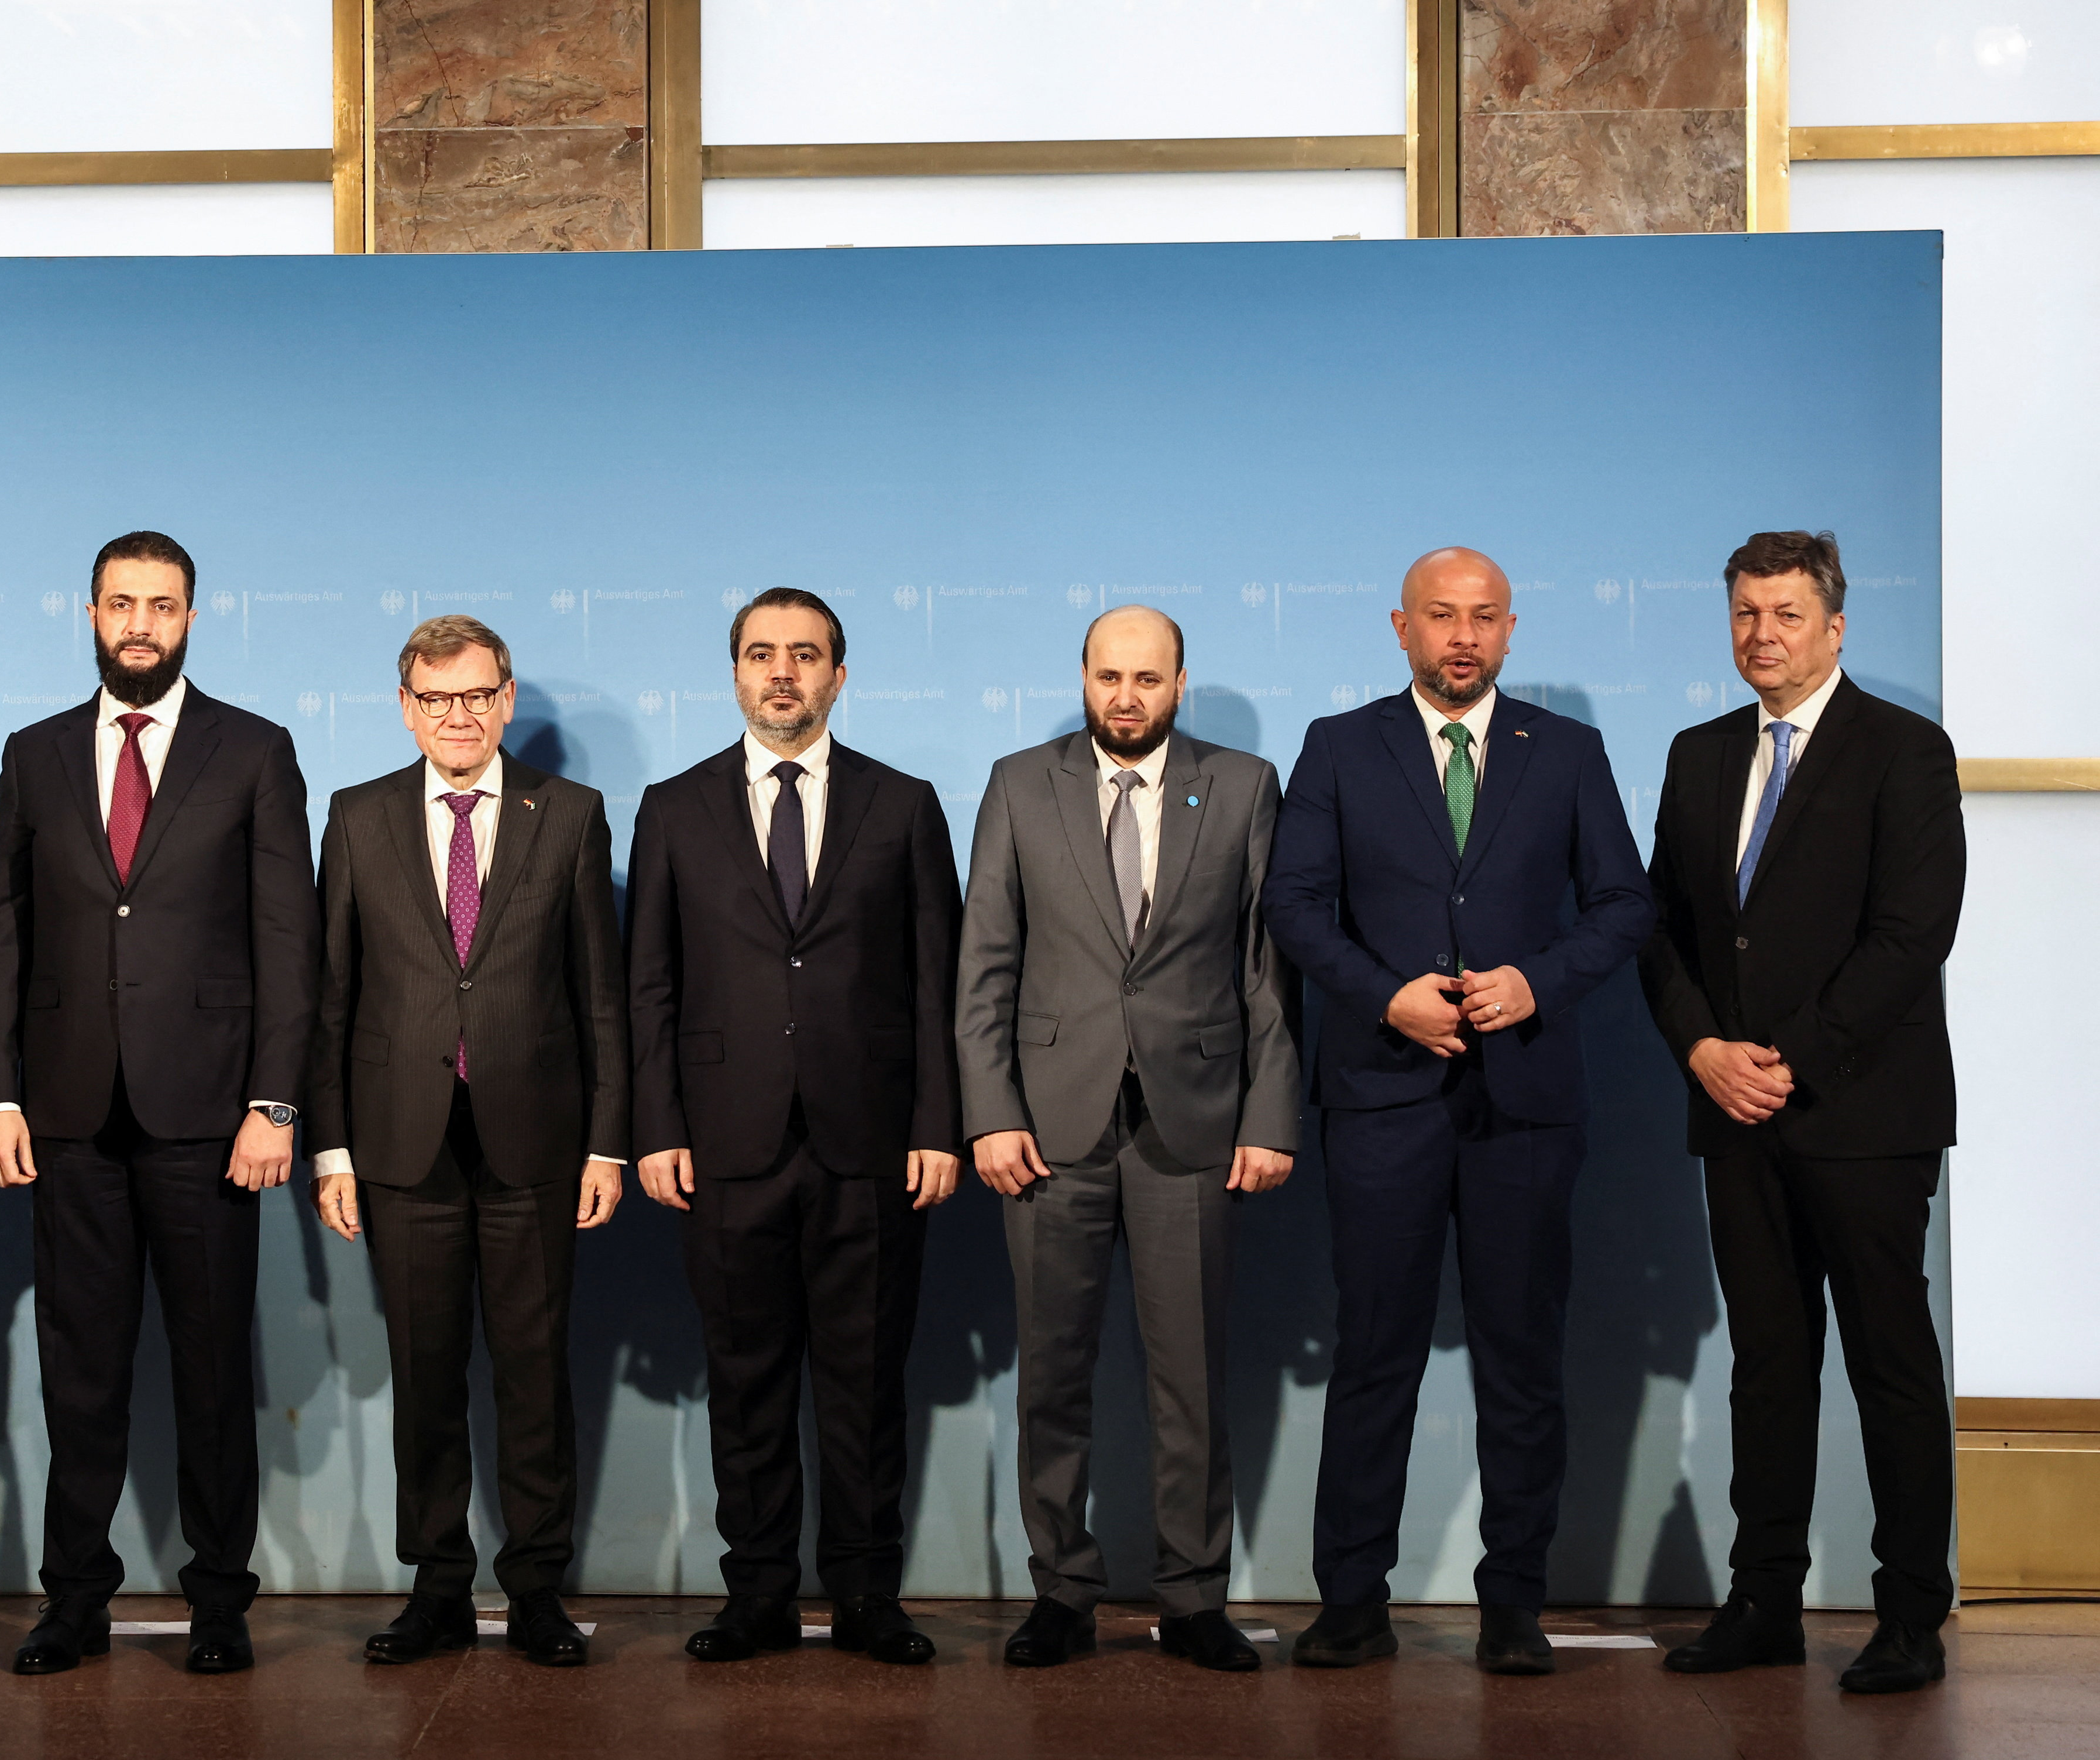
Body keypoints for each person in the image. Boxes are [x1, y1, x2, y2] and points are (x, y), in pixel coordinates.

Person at [1262, 547, 1652, 1676]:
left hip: (1524, 1098)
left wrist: (1538, 981)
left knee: (1521, 1361)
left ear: (1511, 630)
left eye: (1485, 617)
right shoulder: (1340, 746)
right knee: (1374, 1356)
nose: (1464, 636)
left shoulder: (1566, 751)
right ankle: (1351, 1602)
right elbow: (1294, 903)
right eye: (1442, 615)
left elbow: (1624, 904)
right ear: (1403, 628)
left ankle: (1514, 1604)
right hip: (1382, 1095)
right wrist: (1386, 995)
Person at [0, 530, 319, 1677]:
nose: (139, 624)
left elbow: (288, 939)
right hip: (68, 1116)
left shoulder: (254, 750)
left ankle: (219, 1601)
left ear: (191, 619)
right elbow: (4, 931)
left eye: (161, 606)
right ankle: (74, 1601)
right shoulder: (34, 753)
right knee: (80, 1376)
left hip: (212, 1119)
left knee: (213, 1373)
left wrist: (275, 1102)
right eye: (121, 603)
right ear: (90, 614)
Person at [1639, 531, 1966, 1696]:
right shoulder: (1696, 754)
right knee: (1767, 1367)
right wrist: (1701, 1050)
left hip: (1863, 1114)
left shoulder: (1904, 749)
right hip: (1733, 1112)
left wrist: (1785, 1060)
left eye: (1784, 614)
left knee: (1889, 1365)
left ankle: (1910, 1616)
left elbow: (1912, 933)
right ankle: (1763, 1602)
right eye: (1744, 613)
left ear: (1834, 626)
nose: (1761, 634)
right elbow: (1661, 930)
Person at [957, 605, 1301, 1671]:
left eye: (1147, 679)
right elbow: (985, 964)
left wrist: (1270, 1114)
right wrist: (992, 1112)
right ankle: (1061, 1592)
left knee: (1191, 1380)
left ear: (1179, 684)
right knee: (1052, 1376)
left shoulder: (1242, 785)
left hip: (1192, 1127)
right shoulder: (1020, 783)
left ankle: (1193, 1599)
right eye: (1109, 677)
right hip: (1048, 1131)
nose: (1126, 697)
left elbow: (1266, 970)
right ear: (1083, 678)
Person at [625, 587, 960, 1666]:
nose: (784, 672)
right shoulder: (673, 807)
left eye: (805, 655)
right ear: (735, 673)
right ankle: (759, 1596)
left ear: (838, 676)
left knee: (866, 1386)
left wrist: (939, 1125)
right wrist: (657, 1127)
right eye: (763, 654)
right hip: (726, 1145)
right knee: (747, 1382)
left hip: (873, 1146)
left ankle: (866, 1597)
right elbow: (650, 987)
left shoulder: (903, 805)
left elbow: (937, 981)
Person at [308, 616, 628, 1668]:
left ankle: (537, 1590)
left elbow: (602, 996)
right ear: (406, 708)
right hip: (401, 1147)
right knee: (425, 1377)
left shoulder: (570, 814)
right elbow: (332, 997)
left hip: (537, 1146)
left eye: (477, 696)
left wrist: (608, 1144)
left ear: (507, 700)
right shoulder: (355, 816)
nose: (459, 715)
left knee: (536, 1377)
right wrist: (331, 1150)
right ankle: (438, 1588)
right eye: (437, 699)